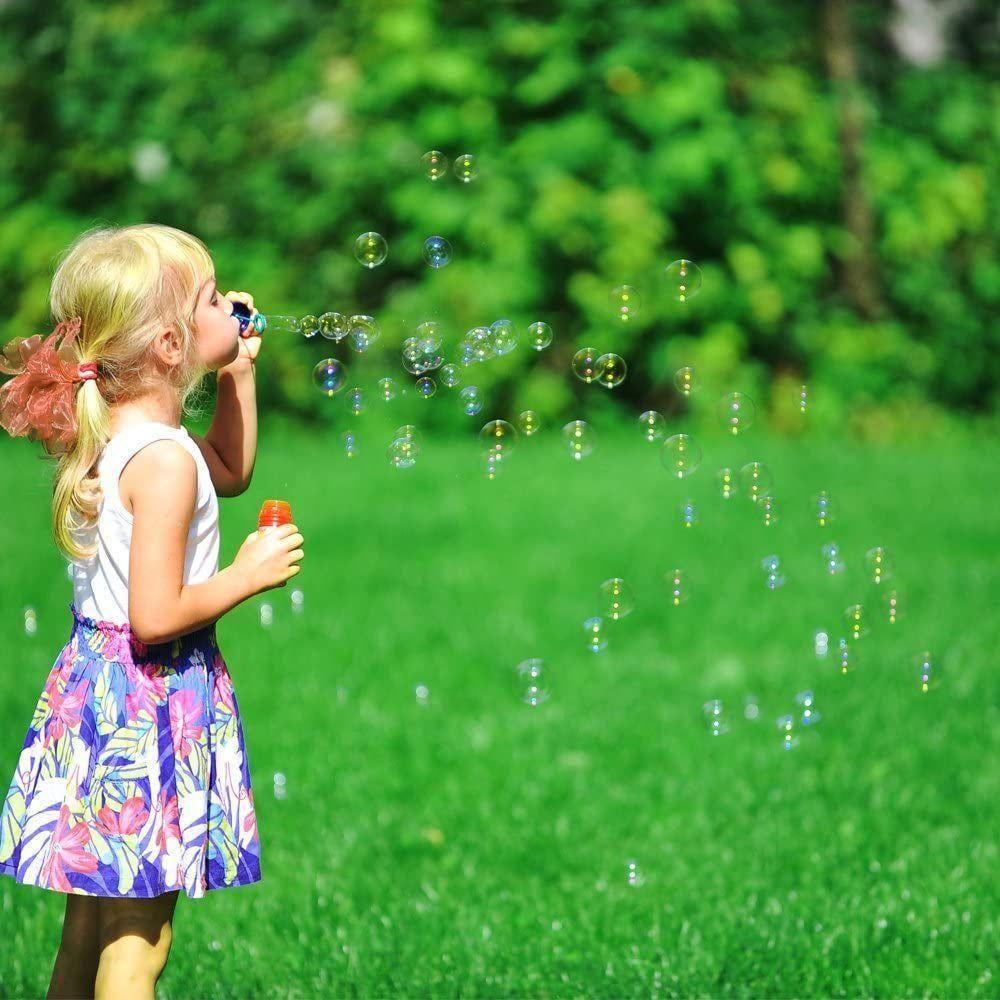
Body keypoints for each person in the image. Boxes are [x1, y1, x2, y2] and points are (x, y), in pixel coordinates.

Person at [0, 223, 304, 999]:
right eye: (213, 296)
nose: (232, 304)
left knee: (86, 933)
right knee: (140, 946)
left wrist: (237, 372)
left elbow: (231, 469)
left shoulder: (136, 438)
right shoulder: (165, 462)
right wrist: (246, 574)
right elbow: (157, 616)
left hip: (99, 697)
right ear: (171, 344)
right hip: (152, 705)